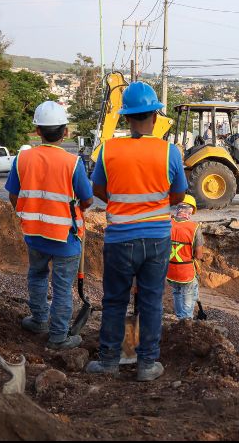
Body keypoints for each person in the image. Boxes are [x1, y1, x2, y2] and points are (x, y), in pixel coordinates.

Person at [86, 82, 188, 382]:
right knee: (152, 301)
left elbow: (98, 190)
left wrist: (121, 202)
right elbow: (179, 195)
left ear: (126, 118)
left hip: (119, 238)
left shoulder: (108, 150)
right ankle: (147, 364)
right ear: (155, 117)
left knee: (115, 300)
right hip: (157, 239)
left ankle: (108, 361)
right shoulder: (169, 151)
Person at [5, 101, 94, 350]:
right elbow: (87, 199)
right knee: (63, 287)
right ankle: (58, 336)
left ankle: (39, 320)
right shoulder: (72, 163)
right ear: (65, 132)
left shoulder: (22, 159)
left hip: (34, 234)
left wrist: (27, 214)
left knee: (37, 275)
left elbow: (14, 195)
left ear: (37, 131)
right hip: (65, 237)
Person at [167, 195, 204, 320]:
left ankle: (179, 320)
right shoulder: (194, 227)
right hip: (186, 272)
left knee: (177, 292)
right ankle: (186, 322)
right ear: (191, 210)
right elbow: (199, 255)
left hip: (170, 270)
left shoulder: (167, 223)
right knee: (188, 295)